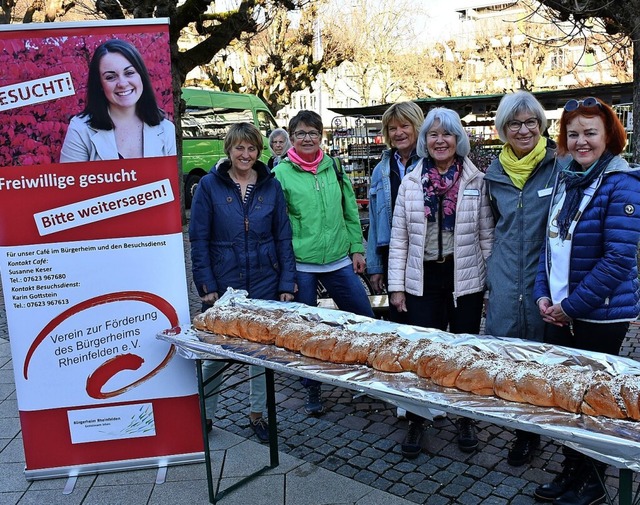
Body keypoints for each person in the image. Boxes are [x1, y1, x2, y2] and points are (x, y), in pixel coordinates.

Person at [532, 97, 640, 505]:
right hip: (560, 310)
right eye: (573, 134)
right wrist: (544, 295)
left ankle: (594, 481)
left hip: (598, 314)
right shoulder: (565, 180)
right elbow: (550, 245)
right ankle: (570, 471)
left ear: (609, 136)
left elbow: (617, 259)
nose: (581, 142)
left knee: (594, 401)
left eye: (590, 133)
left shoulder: (622, 183)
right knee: (567, 398)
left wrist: (570, 306)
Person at [387, 107, 494, 458]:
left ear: (457, 138)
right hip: (423, 279)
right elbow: (400, 236)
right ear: (425, 140)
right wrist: (396, 286)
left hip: (465, 277)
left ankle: (464, 415)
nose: (440, 140)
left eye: (446, 134)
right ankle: (418, 417)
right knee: (424, 351)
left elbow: (485, 236)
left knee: (463, 350)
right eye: (433, 134)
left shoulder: (475, 180)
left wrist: (492, 283)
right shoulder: (412, 181)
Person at [189, 122, 296, 442]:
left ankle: (257, 414)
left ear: (258, 151)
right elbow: (199, 239)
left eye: (251, 148)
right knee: (217, 354)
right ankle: (203, 415)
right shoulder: (209, 186)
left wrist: (286, 283)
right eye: (239, 148)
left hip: (265, 278)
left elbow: (283, 236)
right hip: (225, 283)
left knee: (260, 355)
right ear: (229, 150)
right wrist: (207, 286)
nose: (245, 154)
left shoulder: (270, 186)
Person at [273, 110, 375, 415]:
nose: (307, 138)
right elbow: (278, 225)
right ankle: (312, 386)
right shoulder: (280, 174)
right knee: (306, 330)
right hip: (301, 263)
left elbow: (349, 212)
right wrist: (285, 267)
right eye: (301, 133)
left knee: (363, 318)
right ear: (291, 138)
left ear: (321, 136)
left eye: (313, 133)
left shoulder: (335, 167)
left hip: (338, 259)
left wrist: (357, 249)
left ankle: (365, 375)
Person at [483, 91, 563, 466]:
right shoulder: (493, 173)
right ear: (503, 129)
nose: (524, 129)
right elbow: (489, 227)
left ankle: (550, 432)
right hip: (504, 280)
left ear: (541, 125)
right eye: (515, 123)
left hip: (544, 280)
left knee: (546, 359)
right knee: (509, 359)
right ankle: (523, 432)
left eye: (531, 122)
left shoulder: (559, 164)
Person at [60, 39, 175, 162]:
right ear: (99, 84)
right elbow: (72, 180)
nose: (122, 83)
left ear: (141, 76)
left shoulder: (166, 129)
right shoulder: (80, 129)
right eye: (110, 77)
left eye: (129, 72)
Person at [366, 101, 423, 323]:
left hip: (421, 254)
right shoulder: (381, 169)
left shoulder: (428, 163)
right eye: (392, 128)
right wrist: (375, 266)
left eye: (405, 126)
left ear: (417, 126)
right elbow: (374, 217)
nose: (399, 133)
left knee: (425, 322)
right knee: (399, 320)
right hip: (393, 254)